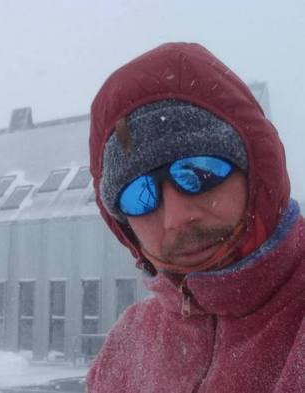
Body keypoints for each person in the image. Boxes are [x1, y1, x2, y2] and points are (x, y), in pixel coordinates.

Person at [87, 42, 305, 392]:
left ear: (255, 172)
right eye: (139, 196)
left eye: (199, 172)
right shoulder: (125, 347)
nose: (176, 218)